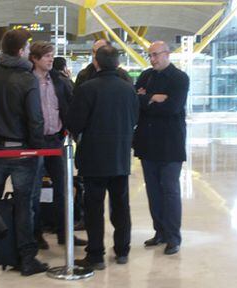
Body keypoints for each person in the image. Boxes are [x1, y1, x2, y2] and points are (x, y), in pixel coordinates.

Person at [0, 29, 48, 276]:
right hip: (22, 153)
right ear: (20, 51)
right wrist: (35, 146)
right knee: (23, 204)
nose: (28, 51)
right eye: (27, 48)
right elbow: (35, 119)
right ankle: (27, 258)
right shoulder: (27, 80)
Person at [67, 45, 139, 270]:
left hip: (93, 159)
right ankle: (122, 250)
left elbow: (74, 123)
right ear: (117, 64)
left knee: (94, 208)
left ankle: (96, 255)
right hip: (119, 157)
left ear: (95, 62)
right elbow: (134, 118)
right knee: (121, 205)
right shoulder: (129, 89)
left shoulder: (87, 89)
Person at [133, 41, 189, 255]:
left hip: (170, 143)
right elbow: (135, 101)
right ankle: (160, 232)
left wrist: (145, 99)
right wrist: (152, 98)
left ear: (167, 54)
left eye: (156, 55)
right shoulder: (146, 75)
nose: (153, 59)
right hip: (147, 142)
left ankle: (173, 237)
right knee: (153, 190)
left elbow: (173, 107)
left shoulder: (179, 78)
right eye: (150, 55)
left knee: (170, 189)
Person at [28, 41, 87, 250]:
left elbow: (69, 106)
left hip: (56, 141)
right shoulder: (26, 81)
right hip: (34, 143)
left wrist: (69, 129)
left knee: (63, 189)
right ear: (34, 59)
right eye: (46, 56)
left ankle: (65, 232)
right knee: (34, 191)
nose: (51, 59)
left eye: (52, 56)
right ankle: (36, 234)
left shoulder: (59, 81)